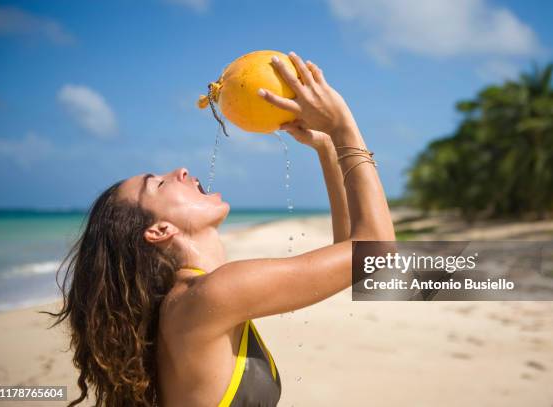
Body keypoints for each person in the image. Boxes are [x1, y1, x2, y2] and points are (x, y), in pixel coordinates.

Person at [44, 51, 395, 407]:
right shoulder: (212, 294)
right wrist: (343, 125)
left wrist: (326, 147)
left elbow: (352, 255)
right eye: (160, 184)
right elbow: (375, 253)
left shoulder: (193, 299)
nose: (180, 170)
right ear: (159, 230)